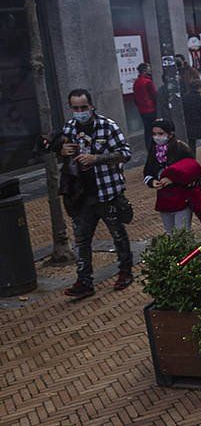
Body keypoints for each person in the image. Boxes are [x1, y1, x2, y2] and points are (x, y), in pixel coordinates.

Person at [57, 89, 134, 299]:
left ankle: (125, 272)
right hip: (81, 195)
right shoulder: (69, 128)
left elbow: (125, 153)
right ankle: (84, 281)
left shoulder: (107, 126)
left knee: (118, 234)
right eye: (75, 108)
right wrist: (62, 152)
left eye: (83, 107)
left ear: (91, 106)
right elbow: (61, 152)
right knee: (81, 240)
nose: (80, 112)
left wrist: (96, 159)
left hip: (107, 192)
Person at [142, 118, 201, 232]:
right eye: (154, 134)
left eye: (160, 133)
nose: (157, 137)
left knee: (182, 232)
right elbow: (147, 172)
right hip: (164, 199)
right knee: (169, 233)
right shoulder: (153, 150)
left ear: (170, 134)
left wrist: (173, 179)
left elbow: (192, 171)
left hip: (182, 198)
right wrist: (152, 182)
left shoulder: (180, 148)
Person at [132, 62, 158, 144]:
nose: (150, 70)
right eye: (148, 68)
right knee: (154, 129)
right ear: (144, 70)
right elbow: (154, 96)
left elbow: (135, 98)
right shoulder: (148, 82)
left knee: (147, 130)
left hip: (142, 110)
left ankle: (149, 146)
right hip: (151, 109)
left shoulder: (136, 82)